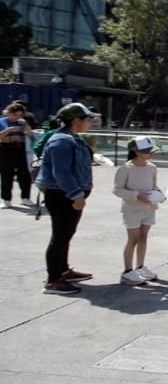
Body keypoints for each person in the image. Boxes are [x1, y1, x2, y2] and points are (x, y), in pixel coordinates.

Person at [34, 103, 97, 295]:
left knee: (66, 234)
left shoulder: (72, 138)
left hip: (66, 194)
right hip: (62, 195)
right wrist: (76, 195)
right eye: (88, 119)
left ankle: (63, 270)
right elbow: (61, 173)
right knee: (60, 237)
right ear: (76, 120)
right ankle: (53, 280)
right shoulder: (61, 141)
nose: (90, 122)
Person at [113, 136, 162, 286]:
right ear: (136, 151)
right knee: (132, 239)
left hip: (149, 208)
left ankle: (140, 267)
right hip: (132, 209)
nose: (150, 154)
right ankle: (127, 271)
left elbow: (154, 186)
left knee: (143, 237)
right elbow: (117, 189)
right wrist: (136, 195)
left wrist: (158, 194)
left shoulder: (152, 167)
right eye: (147, 151)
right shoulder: (126, 168)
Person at [0, 102, 34, 208]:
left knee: (24, 175)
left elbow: (29, 134)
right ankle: (6, 200)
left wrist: (28, 130)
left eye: (20, 115)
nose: (17, 117)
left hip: (20, 149)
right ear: (9, 113)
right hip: (6, 150)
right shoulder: (2, 122)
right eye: (15, 115)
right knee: (7, 175)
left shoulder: (22, 122)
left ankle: (26, 198)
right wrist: (10, 130)